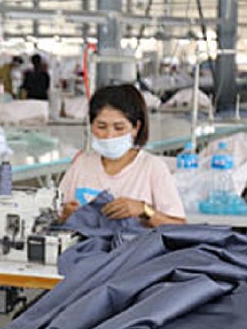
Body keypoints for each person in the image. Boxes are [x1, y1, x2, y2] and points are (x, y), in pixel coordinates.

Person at [59, 84, 185, 227]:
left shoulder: (152, 168)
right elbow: (55, 211)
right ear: (91, 126)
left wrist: (144, 211)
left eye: (119, 128)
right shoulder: (82, 164)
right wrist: (65, 214)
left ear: (136, 128)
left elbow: (179, 226)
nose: (109, 135)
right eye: (101, 126)